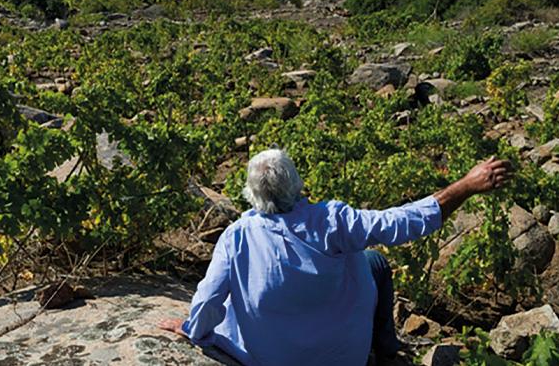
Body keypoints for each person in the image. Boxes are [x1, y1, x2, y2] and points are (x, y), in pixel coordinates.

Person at [158, 148, 513, 366]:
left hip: (270, 359)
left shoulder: (237, 237)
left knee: (369, 262)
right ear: (296, 185)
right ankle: (387, 351)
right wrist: (466, 185)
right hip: (342, 359)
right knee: (375, 262)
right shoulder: (332, 221)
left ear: (251, 194)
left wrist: (190, 329)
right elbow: (403, 222)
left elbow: (208, 300)